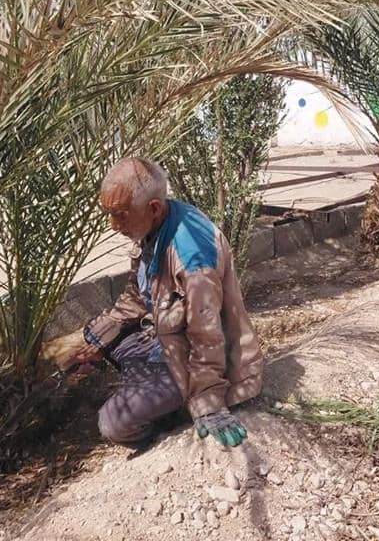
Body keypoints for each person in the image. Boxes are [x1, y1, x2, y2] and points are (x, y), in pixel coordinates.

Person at [60, 157, 263, 448]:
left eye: (120, 215)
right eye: (109, 214)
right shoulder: (155, 225)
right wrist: (101, 341)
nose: (113, 225)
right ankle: (145, 383)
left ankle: (170, 416)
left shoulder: (193, 261)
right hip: (163, 339)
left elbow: (208, 338)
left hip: (191, 360)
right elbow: (136, 296)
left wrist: (207, 402)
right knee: (96, 329)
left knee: (113, 424)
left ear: (153, 208)